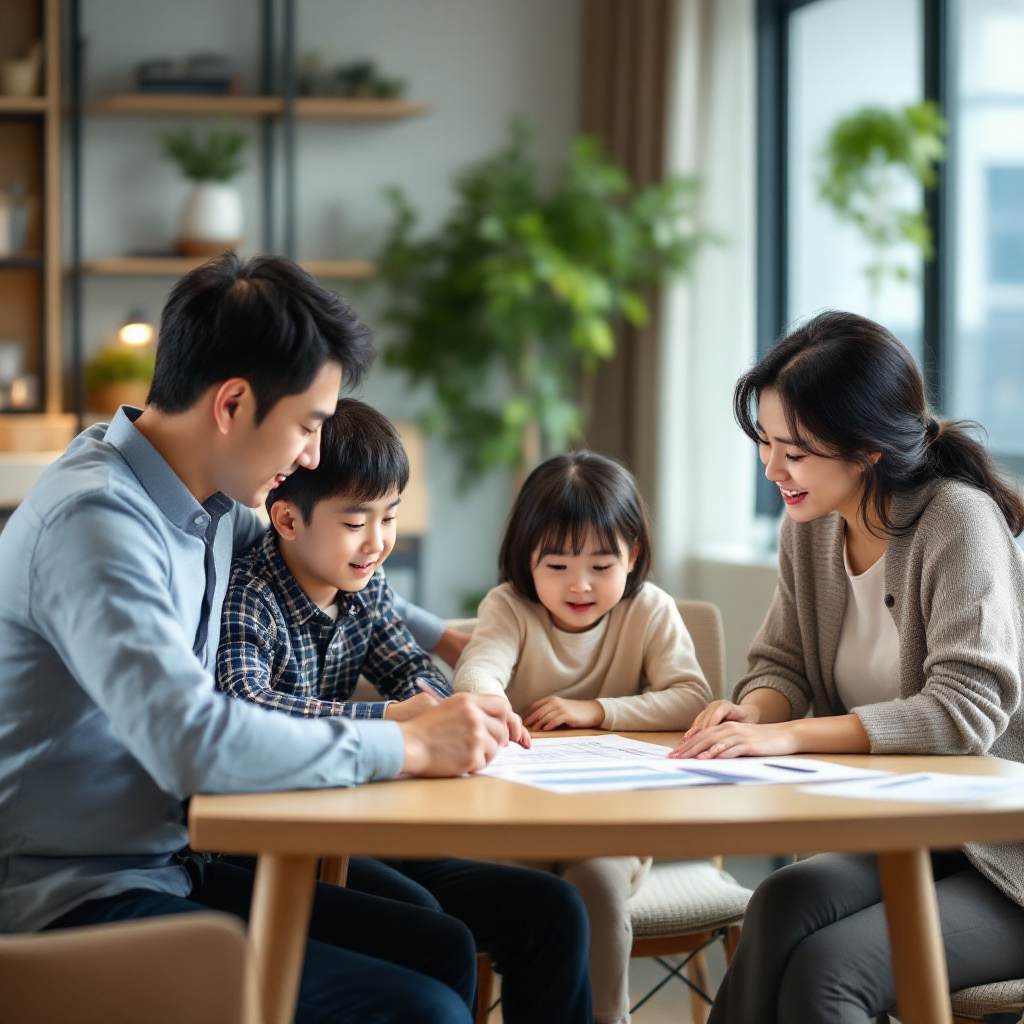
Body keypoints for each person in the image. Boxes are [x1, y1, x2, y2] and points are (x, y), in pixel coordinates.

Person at [0, 252, 533, 1024]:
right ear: (234, 403)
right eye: (308, 426)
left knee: (439, 947)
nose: (312, 457)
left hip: (166, 865)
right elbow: (192, 739)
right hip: (66, 901)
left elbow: (320, 563)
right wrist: (409, 742)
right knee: (420, 1009)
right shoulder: (97, 524)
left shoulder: (199, 499)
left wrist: (454, 642)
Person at [671, 310, 1024, 1023]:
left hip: (1004, 859)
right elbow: (782, 664)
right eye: (766, 444)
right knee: (780, 901)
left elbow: (965, 711)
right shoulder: (809, 527)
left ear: (867, 450)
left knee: (830, 970)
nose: (773, 469)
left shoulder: (957, 521)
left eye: (794, 451)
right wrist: (756, 713)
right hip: (909, 835)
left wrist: (787, 737)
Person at [215, 397, 593, 1024]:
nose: (378, 543)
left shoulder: (365, 584)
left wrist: (458, 711)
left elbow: (409, 669)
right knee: (428, 921)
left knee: (554, 908)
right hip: (276, 844)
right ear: (285, 518)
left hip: (363, 821)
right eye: (356, 521)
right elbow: (245, 705)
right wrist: (395, 719)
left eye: (389, 518)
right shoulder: (251, 596)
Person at [453, 450, 713, 1024]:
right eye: (557, 565)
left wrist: (597, 710)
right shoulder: (508, 607)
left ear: (633, 555)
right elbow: (479, 670)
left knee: (595, 880)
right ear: (526, 559)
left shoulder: (649, 611)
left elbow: (692, 697)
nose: (580, 585)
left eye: (601, 565)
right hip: (518, 823)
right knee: (525, 899)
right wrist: (488, 700)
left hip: (611, 825)